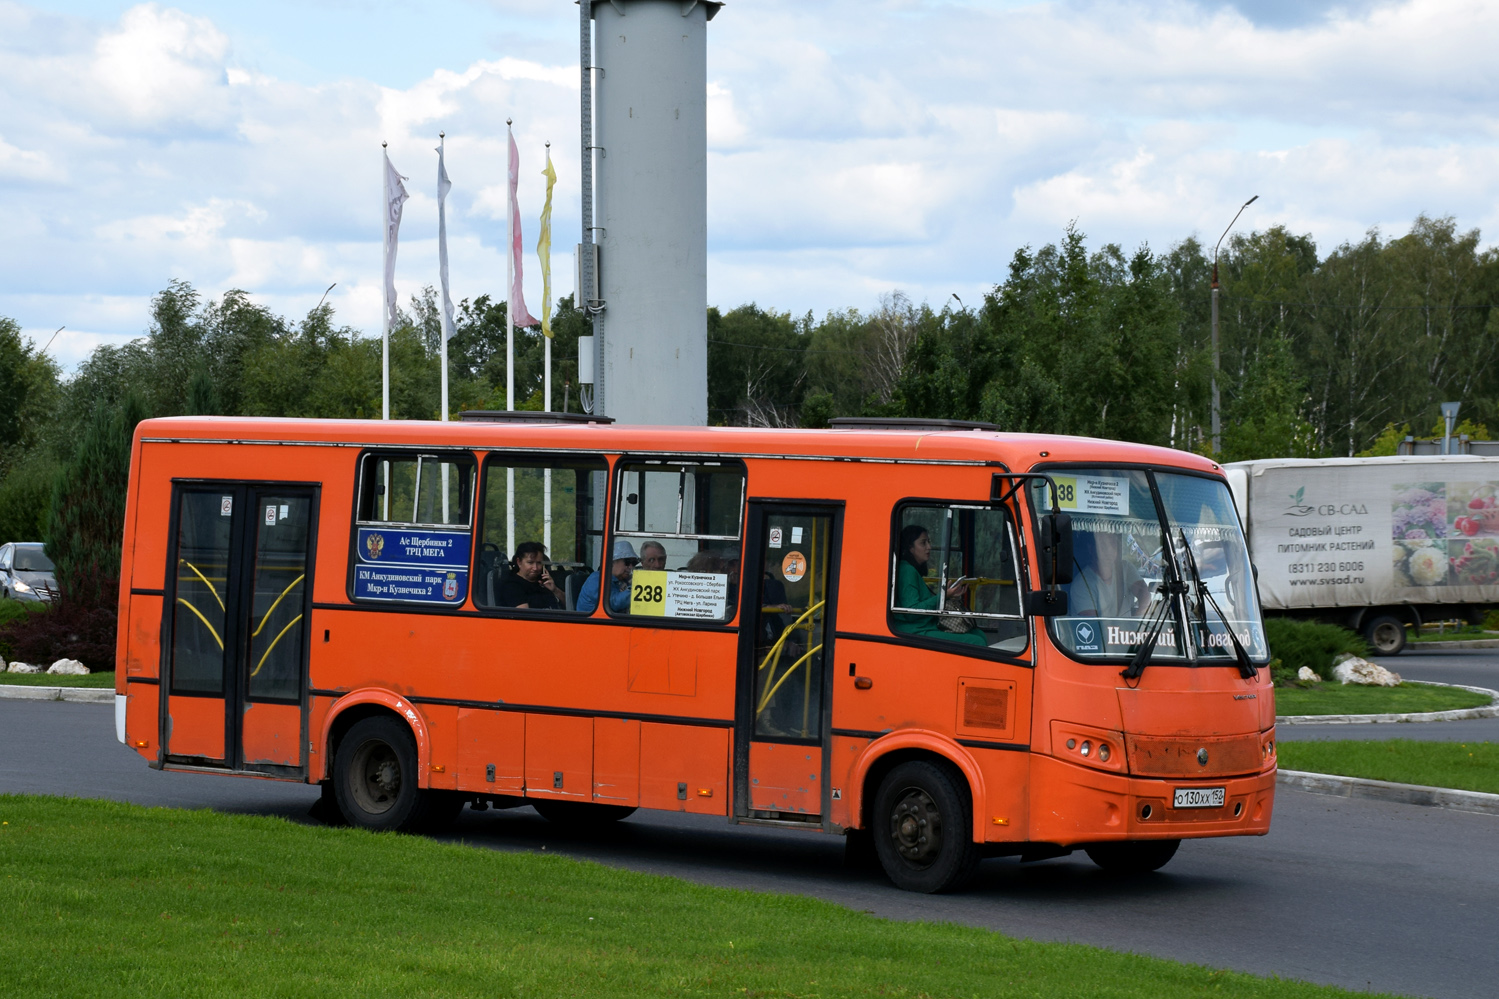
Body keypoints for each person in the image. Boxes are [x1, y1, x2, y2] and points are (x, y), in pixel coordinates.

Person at [891, 524, 986, 646]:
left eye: (929, 542)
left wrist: (949, 595)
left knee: (978, 634)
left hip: (923, 626)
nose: (929, 547)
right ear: (910, 548)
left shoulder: (909, 569)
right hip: (914, 630)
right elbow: (911, 613)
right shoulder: (907, 571)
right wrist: (943, 596)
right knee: (976, 641)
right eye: (923, 543)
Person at [1069, 529, 1150, 618]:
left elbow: (1143, 592)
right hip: (1102, 631)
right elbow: (1092, 624)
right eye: (1102, 545)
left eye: (1112, 544)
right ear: (1091, 548)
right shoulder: (1082, 584)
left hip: (1129, 631)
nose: (1108, 550)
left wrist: (1139, 618)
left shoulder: (1126, 568)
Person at [495, 541, 563, 610]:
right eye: (530, 563)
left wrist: (555, 590)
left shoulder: (544, 581)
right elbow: (525, 616)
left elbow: (571, 607)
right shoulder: (512, 586)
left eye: (539, 563)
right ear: (519, 562)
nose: (535, 568)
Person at [577, 539, 638, 613]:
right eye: (627, 562)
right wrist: (638, 587)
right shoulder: (596, 580)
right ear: (612, 563)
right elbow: (614, 603)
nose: (631, 567)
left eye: (634, 563)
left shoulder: (620, 580)